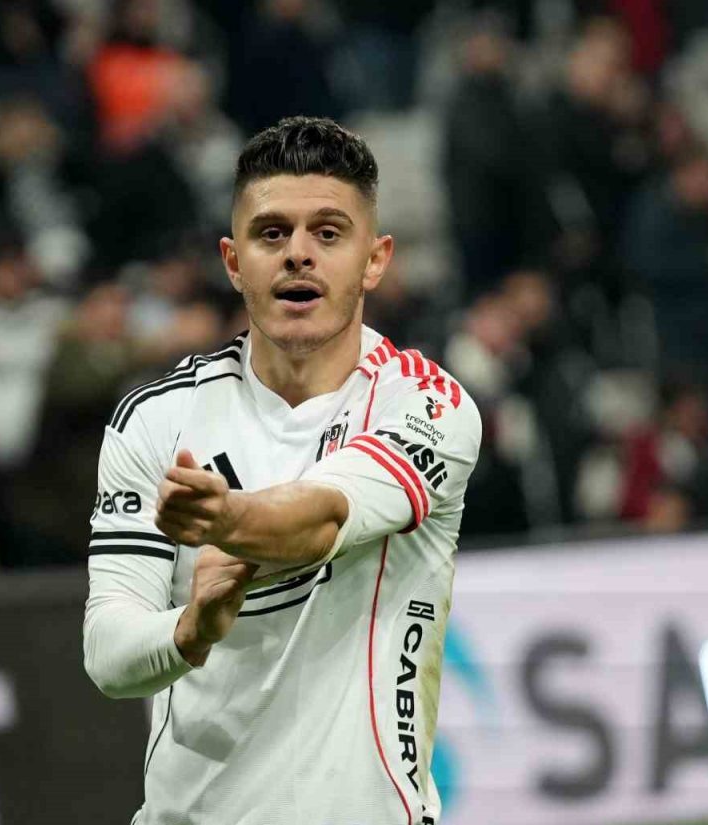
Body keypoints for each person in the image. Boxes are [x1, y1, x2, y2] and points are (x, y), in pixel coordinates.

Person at [83, 117, 481, 823]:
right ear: (234, 262)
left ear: (375, 259)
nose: (298, 254)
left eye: (329, 233)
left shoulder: (425, 403)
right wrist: (190, 630)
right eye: (271, 234)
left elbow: (323, 517)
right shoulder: (157, 418)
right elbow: (108, 655)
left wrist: (227, 518)